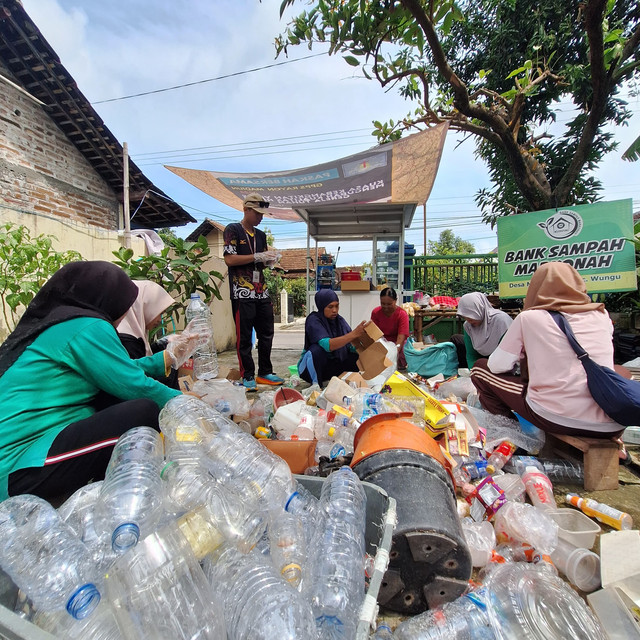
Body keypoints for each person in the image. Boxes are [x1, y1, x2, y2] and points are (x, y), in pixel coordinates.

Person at [0, 261, 189, 502]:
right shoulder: (89, 326)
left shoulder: (64, 324)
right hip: (17, 467)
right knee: (142, 411)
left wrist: (166, 358)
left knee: (114, 399)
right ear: (110, 300)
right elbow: (133, 385)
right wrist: (187, 406)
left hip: (26, 457)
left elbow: (118, 370)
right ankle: (124, 496)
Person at [470, 262, 623, 438]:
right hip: (613, 423)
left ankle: (513, 438)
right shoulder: (602, 316)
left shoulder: (529, 318)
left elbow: (497, 365)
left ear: (536, 288)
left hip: (554, 417)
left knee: (480, 370)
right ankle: (621, 445)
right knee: (620, 370)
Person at [223, 192, 284, 391]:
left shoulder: (261, 235)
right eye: (257, 213)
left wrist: (269, 259)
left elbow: (260, 263)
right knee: (245, 336)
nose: (260, 217)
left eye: (262, 214)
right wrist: (257, 256)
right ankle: (247, 375)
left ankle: (265, 372)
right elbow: (230, 260)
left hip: (262, 291)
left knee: (267, 332)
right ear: (246, 209)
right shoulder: (232, 230)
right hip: (242, 291)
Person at [298, 289, 367, 387]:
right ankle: (316, 385)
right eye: (330, 307)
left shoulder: (339, 321)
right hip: (309, 370)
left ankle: (351, 382)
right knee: (316, 351)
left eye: (337, 306)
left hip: (331, 368)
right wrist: (354, 334)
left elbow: (350, 345)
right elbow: (327, 345)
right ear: (321, 307)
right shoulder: (313, 319)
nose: (334, 310)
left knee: (355, 356)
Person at [451, 292, 513, 369]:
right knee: (456, 339)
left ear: (481, 308)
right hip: (484, 365)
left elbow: (508, 354)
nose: (469, 320)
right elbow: (471, 355)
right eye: (465, 317)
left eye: (471, 315)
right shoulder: (468, 326)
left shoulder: (501, 320)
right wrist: (474, 371)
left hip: (505, 363)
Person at [118, 280, 175, 359]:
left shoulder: (130, 332)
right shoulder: (127, 341)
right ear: (145, 307)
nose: (159, 319)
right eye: (160, 313)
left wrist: (163, 344)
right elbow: (143, 367)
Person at [370, 287, 410, 370]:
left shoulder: (402, 314)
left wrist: (393, 353)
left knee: (404, 352)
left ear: (395, 301)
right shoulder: (376, 312)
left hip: (397, 344)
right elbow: (374, 334)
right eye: (383, 303)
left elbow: (401, 337)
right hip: (382, 343)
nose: (386, 307)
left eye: (389, 304)